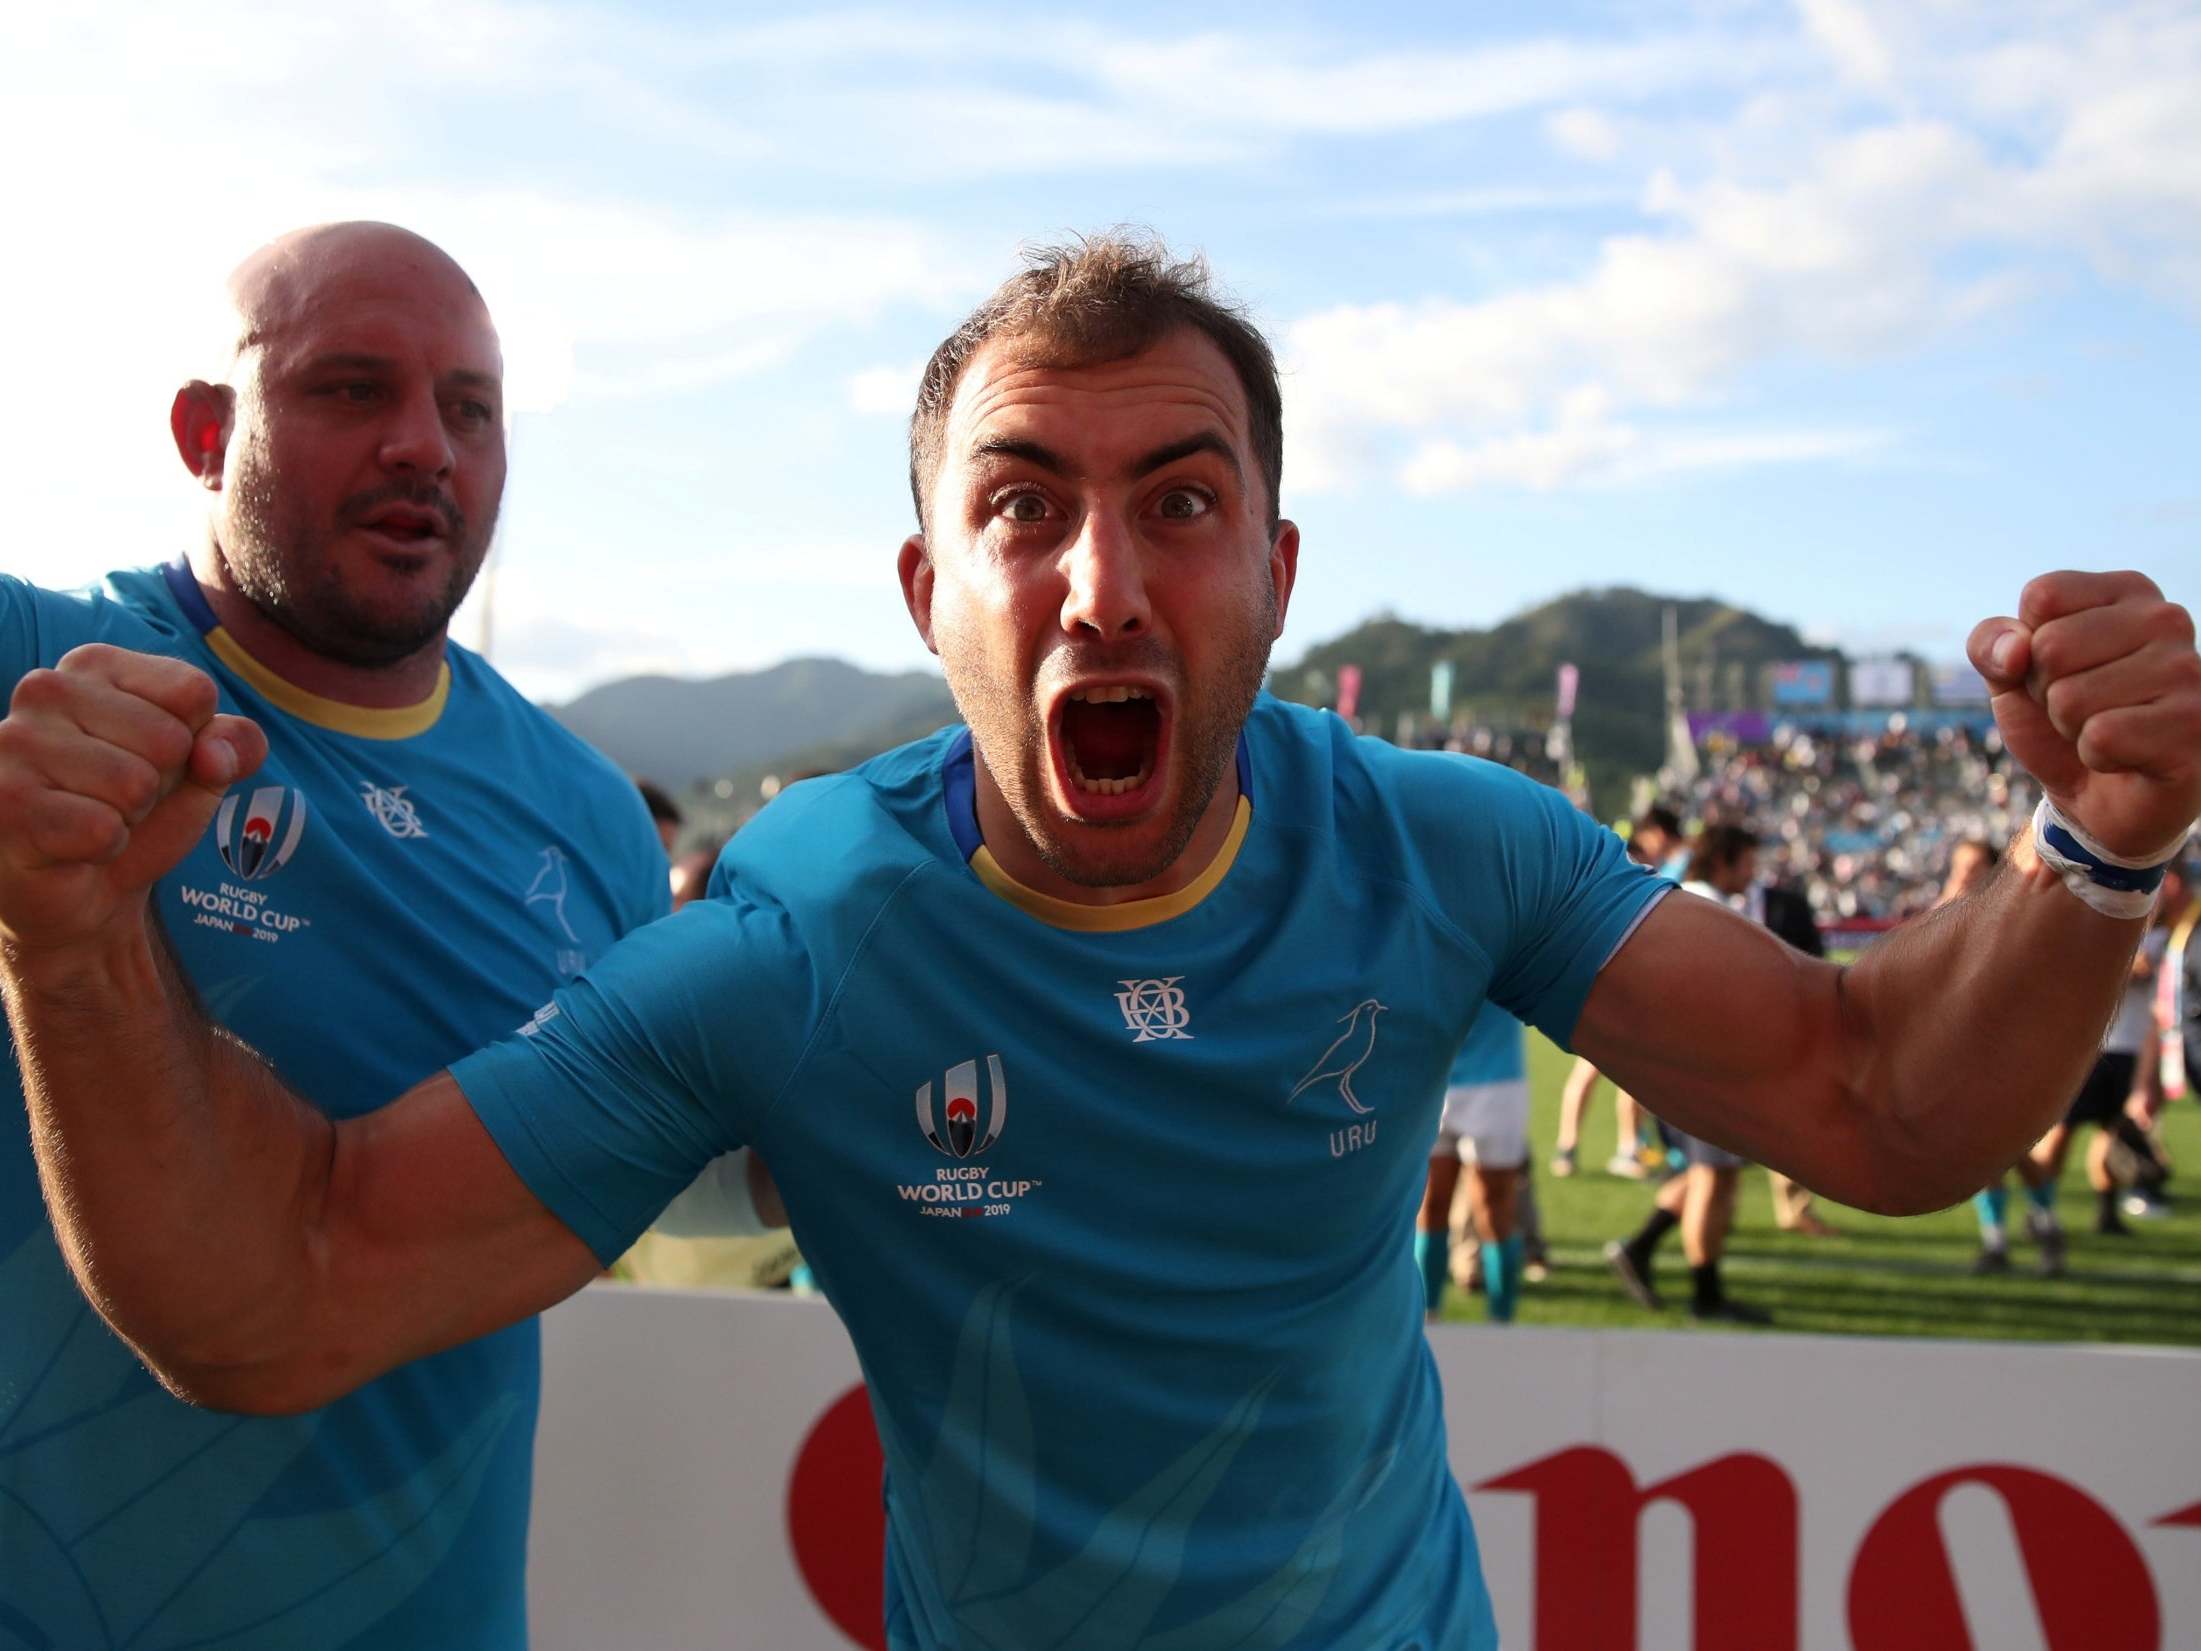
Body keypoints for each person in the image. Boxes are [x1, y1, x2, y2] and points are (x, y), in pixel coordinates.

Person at [5, 234, 2198, 1651]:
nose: (1098, 580)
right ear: (922, 593)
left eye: (1177, 498)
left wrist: (2082, 850)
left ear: (1275, 565)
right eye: (1022, 502)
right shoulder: (796, 936)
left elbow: (1869, 1098)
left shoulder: (1441, 841)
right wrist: (82, 946)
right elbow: (276, 1297)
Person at [0, 223, 671, 1649]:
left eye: (469, 408)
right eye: (350, 389)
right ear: (205, 430)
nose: (423, 445)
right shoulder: (33, 674)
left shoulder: (595, 817)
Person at [1605, 824, 1776, 1323]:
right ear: (1724, 861)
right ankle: (1706, 1294)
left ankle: (1639, 1249)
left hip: (1691, 1065)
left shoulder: (1694, 900)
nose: (1754, 872)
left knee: (1717, 1174)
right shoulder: (1704, 908)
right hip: (1696, 1067)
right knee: (1713, 1175)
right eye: (1747, 861)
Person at [1551, 804, 1679, 1178]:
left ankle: (1569, 1148)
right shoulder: (1633, 866)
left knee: (1591, 1070)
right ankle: (1626, 1147)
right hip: (1613, 981)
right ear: (1653, 834)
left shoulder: (1606, 861)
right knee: (1626, 1067)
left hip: (1592, 979)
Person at [1417, 1002, 1533, 1322]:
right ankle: (1427, 1316)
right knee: (1430, 1204)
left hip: (1496, 1083)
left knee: (1494, 1208)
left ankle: (1501, 1319)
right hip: (1431, 1079)